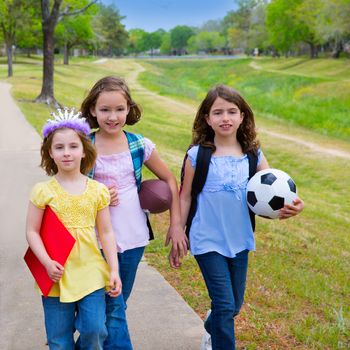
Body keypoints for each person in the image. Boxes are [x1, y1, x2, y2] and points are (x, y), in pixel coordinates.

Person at [179, 85, 304, 350]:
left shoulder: (252, 155)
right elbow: (185, 196)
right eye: (218, 112)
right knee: (224, 304)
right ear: (207, 118)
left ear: (242, 116)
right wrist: (178, 229)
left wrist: (293, 207)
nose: (225, 118)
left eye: (232, 111)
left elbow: (275, 193)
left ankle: (212, 328)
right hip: (206, 238)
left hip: (239, 239)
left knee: (233, 305)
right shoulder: (197, 156)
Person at [80, 76, 188, 349]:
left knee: (117, 303)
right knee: (113, 307)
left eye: (119, 109)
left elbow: (170, 181)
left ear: (129, 109)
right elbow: (68, 188)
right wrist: (96, 191)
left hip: (133, 237)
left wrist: (176, 225)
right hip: (93, 239)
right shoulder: (84, 145)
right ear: (93, 110)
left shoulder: (139, 145)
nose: (112, 116)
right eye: (105, 110)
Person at [25, 108, 121, 350]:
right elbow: (32, 231)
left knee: (95, 329)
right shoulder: (43, 191)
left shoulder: (98, 190)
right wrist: (46, 262)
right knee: (59, 339)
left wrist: (113, 269)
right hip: (55, 273)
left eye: (73, 146)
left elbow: (107, 232)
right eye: (59, 147)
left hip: (90, 270)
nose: (67, 153)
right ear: (50, 152)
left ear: (84, 150)